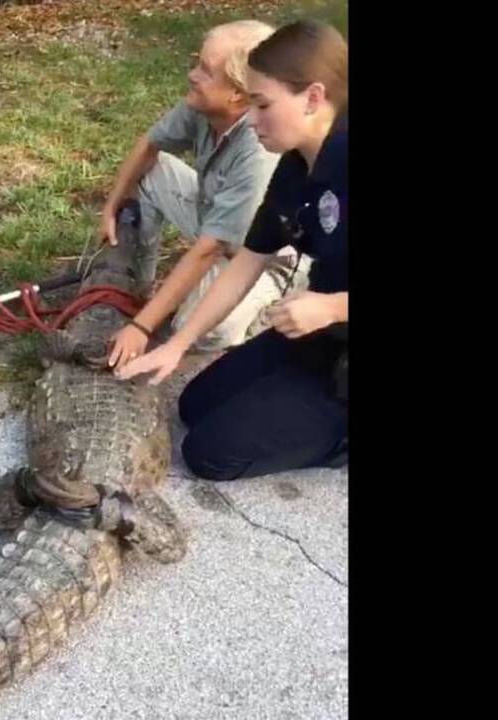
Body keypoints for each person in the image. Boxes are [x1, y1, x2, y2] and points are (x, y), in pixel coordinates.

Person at [117, 19, 349, 481]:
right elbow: (248, 260)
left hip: (334, 330)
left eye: (262, 104)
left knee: (209, 455)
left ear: (313, 98)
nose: (252, 119)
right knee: (193, 405)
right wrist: (177, 346)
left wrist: (333, 306)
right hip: (318, 333)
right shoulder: (295, 165)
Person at [99, 19, 310, 370]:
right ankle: (139, 284)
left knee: (196, 330)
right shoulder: (201, 105)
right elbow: (150, 144)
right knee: (154, 169)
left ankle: (272, 303)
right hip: (214, 214)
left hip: (260, 255)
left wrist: (141, 326)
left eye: (206, 70)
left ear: (239, 95)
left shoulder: (259, 152)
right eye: (198, 62)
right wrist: (110, 207)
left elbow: (209, 248)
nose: (192, 75)